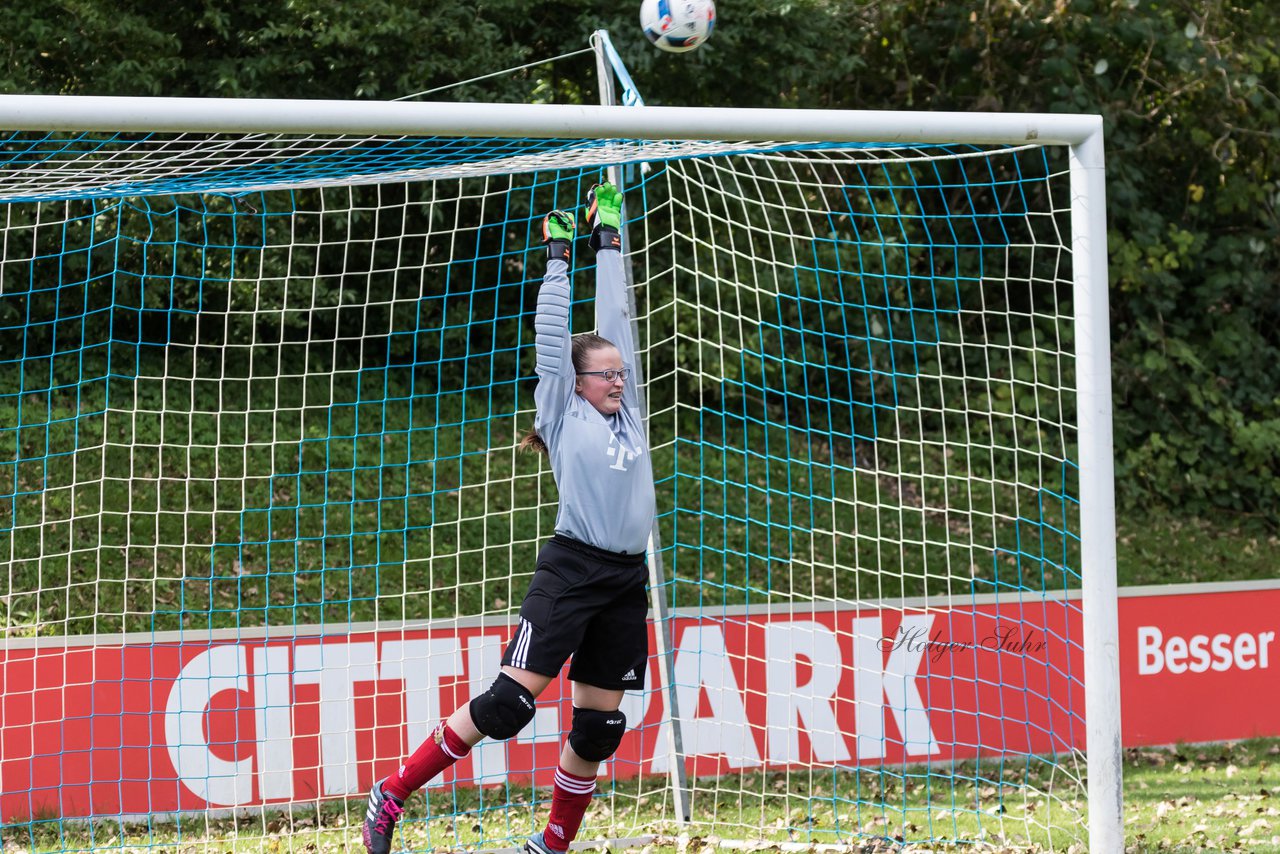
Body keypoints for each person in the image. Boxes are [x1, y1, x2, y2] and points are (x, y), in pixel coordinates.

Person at [362, 182, 656, 854]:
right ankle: (393, 792)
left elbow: (617, 316)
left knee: (597, 731)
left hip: (623, 580)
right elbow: (554, 338)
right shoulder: (562, 408)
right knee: (506, 706)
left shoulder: (629, 407)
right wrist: (558, 259)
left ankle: (551, 847)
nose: (617, 379)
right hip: (573, 567)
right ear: (577, 383)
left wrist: (606, 243)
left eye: (619, 372)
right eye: (604, 374)